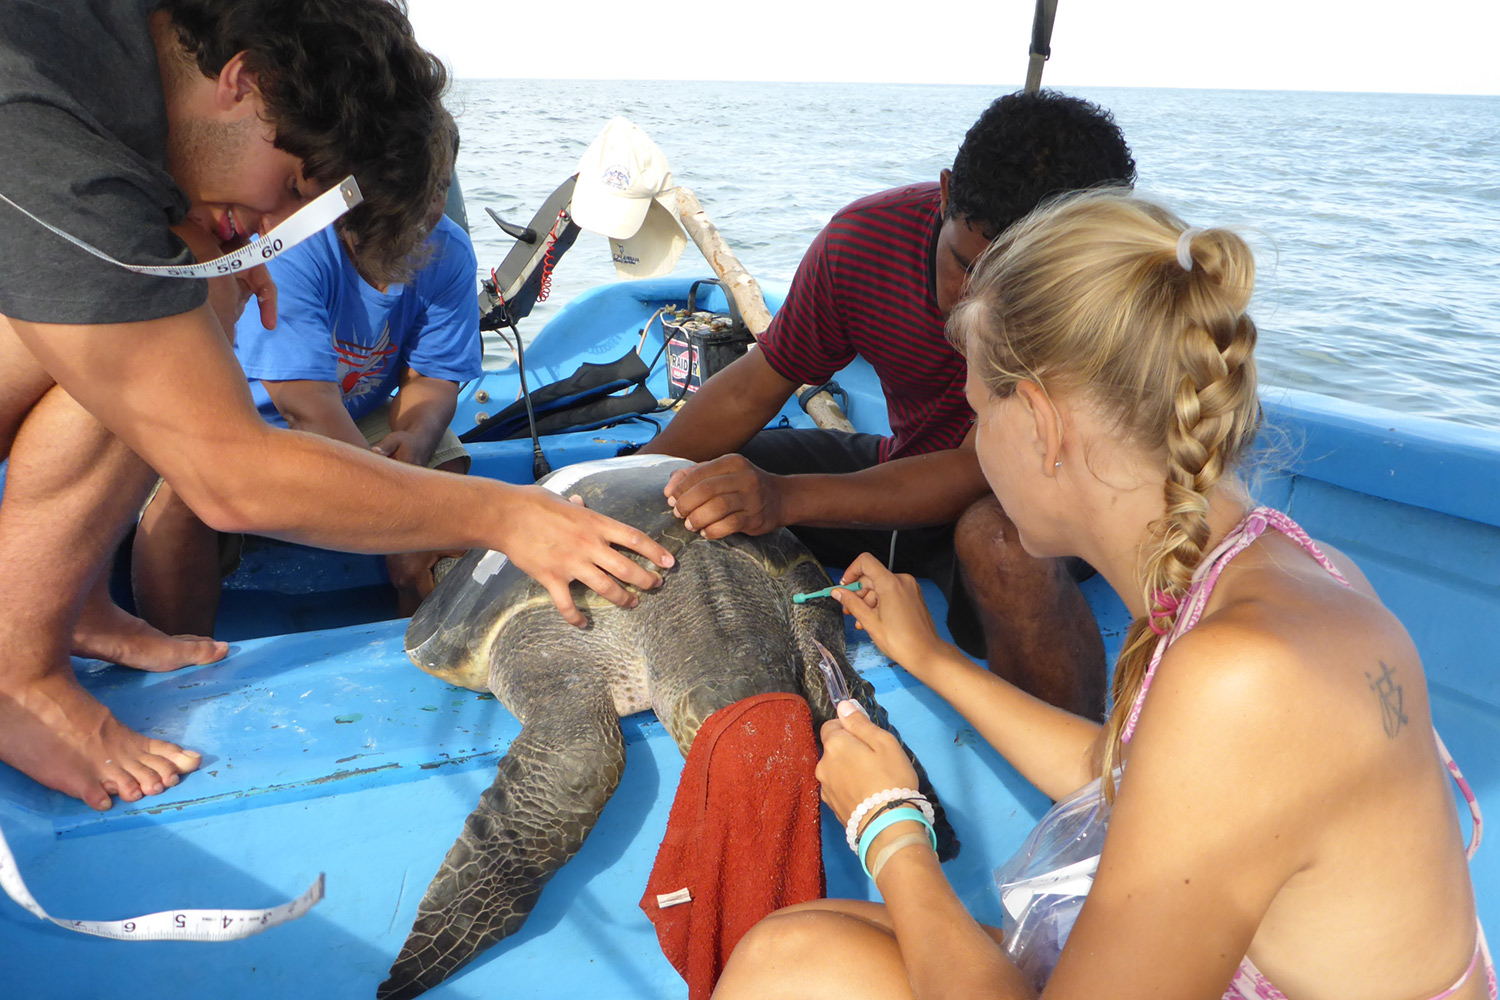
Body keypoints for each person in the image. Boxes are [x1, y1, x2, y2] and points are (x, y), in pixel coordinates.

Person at [711, 190, 1494, 999]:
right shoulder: (1290, 569)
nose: (975, 448)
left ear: (1043, 425)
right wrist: (934, 659)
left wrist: (888, 827)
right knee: (806, 945)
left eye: (980, 415)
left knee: (789, 968)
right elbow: (1138, 773)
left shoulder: (1243, 677)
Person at [0, 0, 673, 814]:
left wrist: (202, 233)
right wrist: (509, 516)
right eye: (287, 190)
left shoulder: (123, 66)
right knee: (161, 337)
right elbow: (229, 478)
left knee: (175, 305)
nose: (276, 233)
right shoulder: (42, 109)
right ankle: (16, 678)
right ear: (245, 82)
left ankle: (68, 602)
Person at [640, 91, 1137, 717]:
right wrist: (622, 481)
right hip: (902, 471)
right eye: (965, 266)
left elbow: (975, 468)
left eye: (1015, 290)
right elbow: (754, 382)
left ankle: (1069, 772)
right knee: (696, 482)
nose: (972, 308)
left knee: (998, 541)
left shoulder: (1093, 303)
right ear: (947, 190)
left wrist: (785, 496)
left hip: (1029, 506)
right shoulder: (863, 244)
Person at [133, 146, 483, 630]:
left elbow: (433, 376)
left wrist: (417, 440)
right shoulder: (293, 243)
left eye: (439, 187)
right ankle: (180, 652)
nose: (424, 207)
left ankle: (425, 641)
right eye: (408, 187)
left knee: (447, 459)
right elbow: (304, 407)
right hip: (249, 409)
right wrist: (405, 510)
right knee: (183, 492)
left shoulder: (449, 250)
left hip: (356, 409)